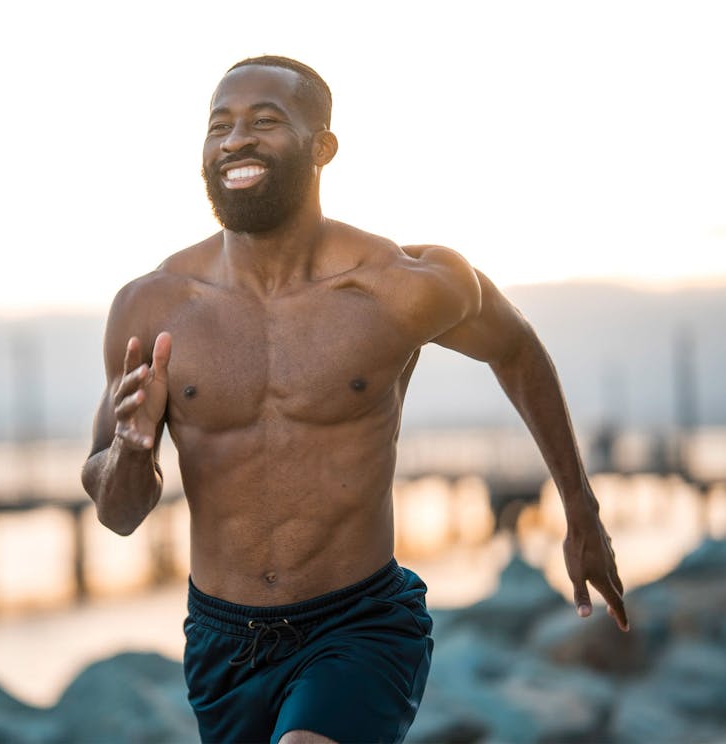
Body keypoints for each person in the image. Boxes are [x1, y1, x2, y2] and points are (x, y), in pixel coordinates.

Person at [82, 55, 628, 744]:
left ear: (322, 147)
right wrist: (131, 452)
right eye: (219, 125)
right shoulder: (152, 308)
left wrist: (582, 511)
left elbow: (516, 349)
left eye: (265, 121)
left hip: (360, 625)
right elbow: (119, 513)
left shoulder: (399, 285)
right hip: (221, 643)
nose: (235, 140)